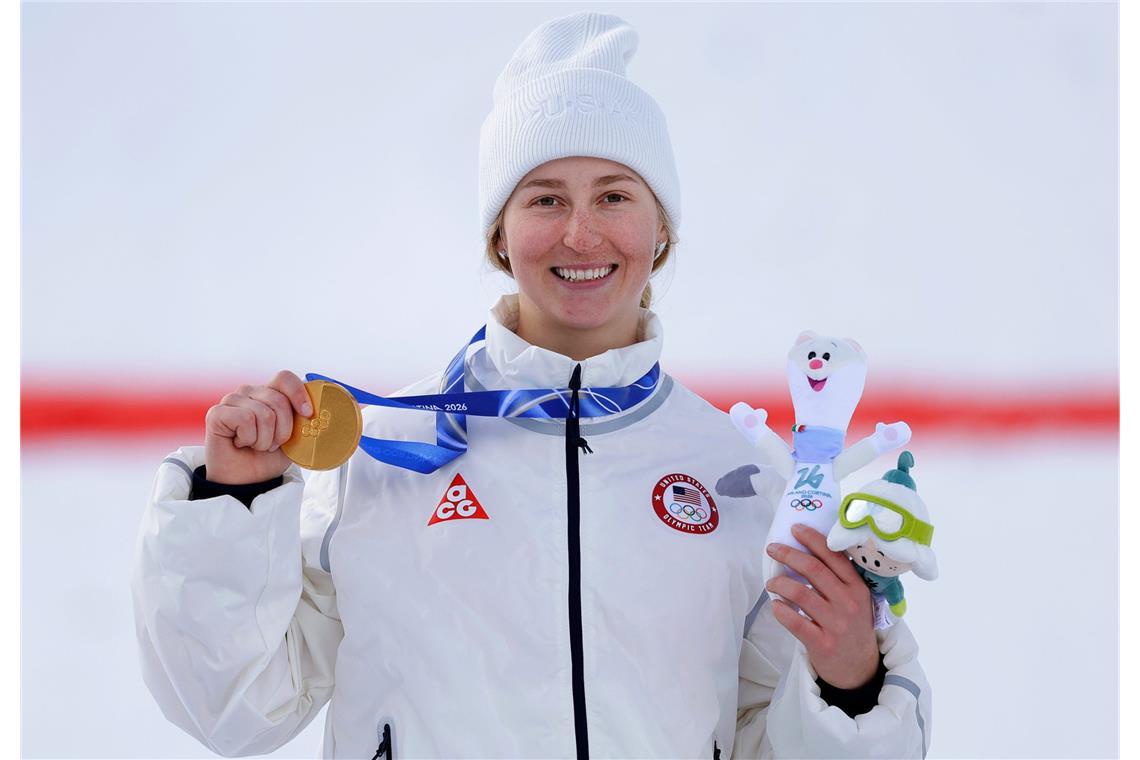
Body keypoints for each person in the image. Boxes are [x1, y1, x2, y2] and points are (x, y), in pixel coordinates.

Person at [131, 11, 931, 759]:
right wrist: (232, 502)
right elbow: (232, 702)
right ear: (499, 236)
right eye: (544, 199)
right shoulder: (381, 456)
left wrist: (851, 679)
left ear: (661, 232)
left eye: (615, 196)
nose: (581, 234)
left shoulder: (741, 478)